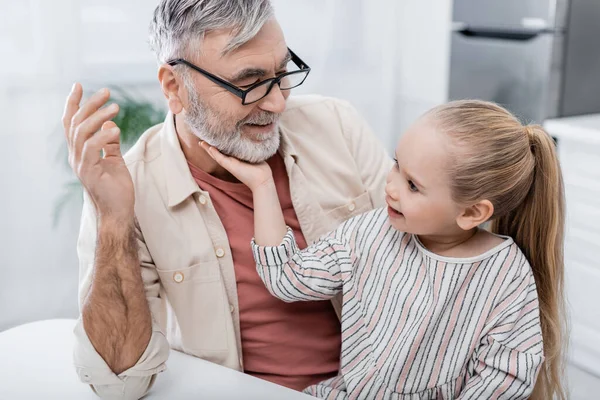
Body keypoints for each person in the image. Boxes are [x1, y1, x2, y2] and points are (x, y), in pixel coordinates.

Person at [62, 1, 391, 398]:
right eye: (250, 83)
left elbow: (430, 265)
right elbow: (120, 384)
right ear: (174, 86)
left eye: (282, 73)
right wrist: (114, 222)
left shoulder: (337, 125)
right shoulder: (129, 187)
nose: (277, 103)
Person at [203, 100, 567, 399]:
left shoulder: (505, 274)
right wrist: (262, 185)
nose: (390, 186)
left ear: (472, 212)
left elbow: (505, 375)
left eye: (412, 185)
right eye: (396, 164)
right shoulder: (369, 231)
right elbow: (289, 279)